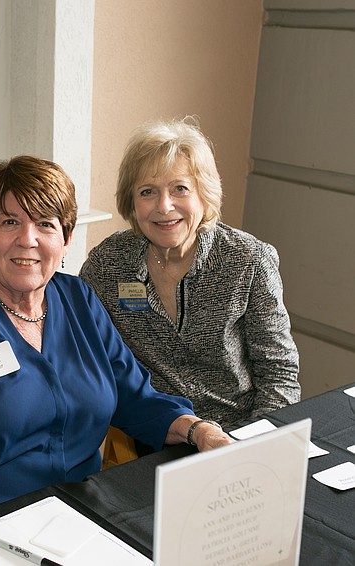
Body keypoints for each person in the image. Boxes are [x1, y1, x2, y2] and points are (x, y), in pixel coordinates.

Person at [0, 155, 232, 537]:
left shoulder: (79, 299)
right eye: (10, 222)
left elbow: (134, 395)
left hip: (70, 514)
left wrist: (198, 430)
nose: (27, 239)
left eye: (45, 224)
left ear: (65, 241)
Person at [79, 117, 300, 428]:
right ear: (131, 201)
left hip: (240, 429)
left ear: (203, 194)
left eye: (180, 188)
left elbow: (278, 373)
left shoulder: (247, 260)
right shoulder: (108, 264)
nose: (165, 206)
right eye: (147, 192)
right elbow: (85, 357)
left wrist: (256, 442)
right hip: (154, 434)